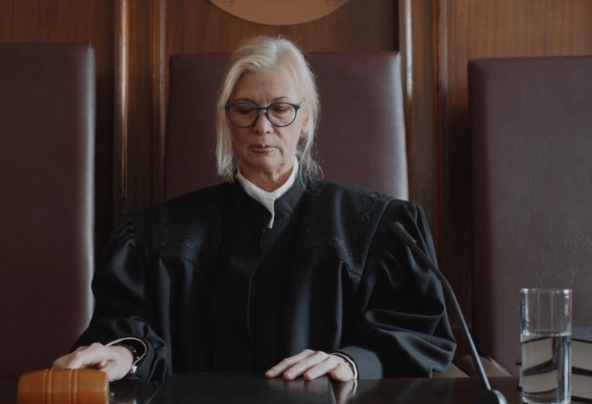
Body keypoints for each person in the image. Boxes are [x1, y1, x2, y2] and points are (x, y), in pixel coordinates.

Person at [53, 35, 455, 382]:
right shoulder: (156, 234)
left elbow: (417, 333)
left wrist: (350, 362)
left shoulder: (377, 228)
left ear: (306, 120)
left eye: (281, 109)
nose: (263, 127)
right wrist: (125, 354)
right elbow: (130, 326)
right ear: (228, 121)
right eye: (245, 109)